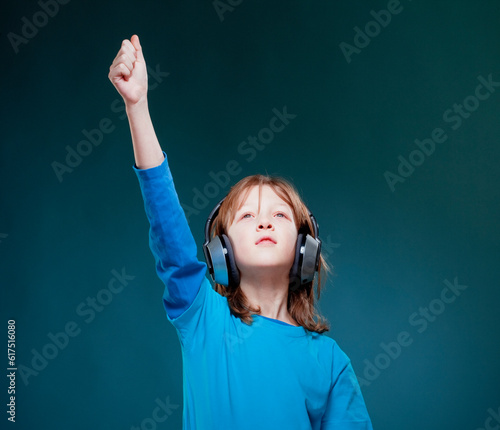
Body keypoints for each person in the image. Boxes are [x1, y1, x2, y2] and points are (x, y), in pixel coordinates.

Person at [108, 34, 373, 430]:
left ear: (306, 250)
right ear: (221, 251)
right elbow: (168, 227)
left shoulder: (331, 362)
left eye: (280, 216)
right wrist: (137, 106)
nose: (264, 221)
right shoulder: (202, 318)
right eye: (247, 216)